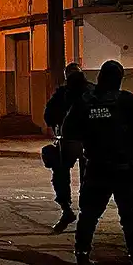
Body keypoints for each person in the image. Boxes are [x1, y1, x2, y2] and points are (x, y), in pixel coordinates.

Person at [60, 60, 133, 265]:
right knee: (130, 218)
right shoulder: (127, 100)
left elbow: (69, 133)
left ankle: (82, 258)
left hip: (97, 168)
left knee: (89, 216)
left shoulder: (84, 102)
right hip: (125, 167)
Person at [42, 63, 89, 233]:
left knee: (62, 174)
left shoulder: (63, 93)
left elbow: (48, 115)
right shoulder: (91, 91)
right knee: (85, 178)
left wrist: (56, 125)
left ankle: (68, 209)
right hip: (85, 141)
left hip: (71, 141)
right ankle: (79, 213)